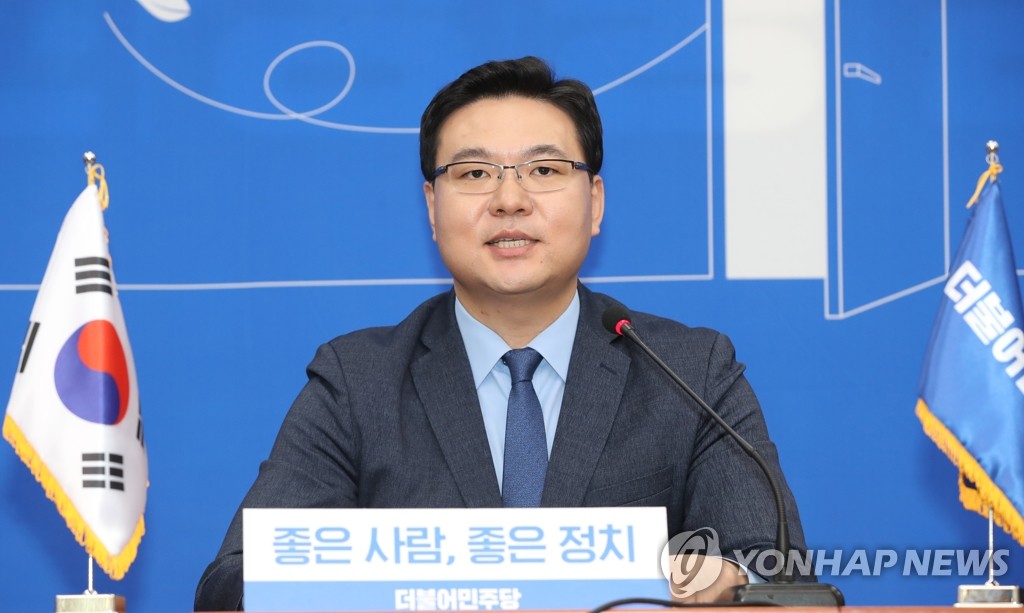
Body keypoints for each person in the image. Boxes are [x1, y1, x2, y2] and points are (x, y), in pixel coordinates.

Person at [194, 56, 810, 611]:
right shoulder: (358, 382)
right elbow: (233, 584)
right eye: (474, 173)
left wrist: (725, 580)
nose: (509, 199)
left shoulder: (689, 372)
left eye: (543, 168)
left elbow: (777, 571)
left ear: (595, 202)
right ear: (432, 207)